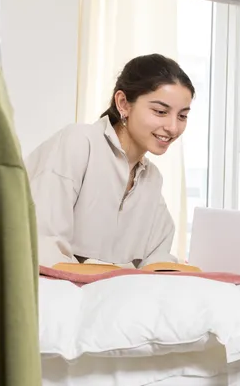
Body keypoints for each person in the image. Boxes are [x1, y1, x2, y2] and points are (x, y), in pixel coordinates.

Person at [27, 54, 193, 267]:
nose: (173, 127)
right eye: (160, 111)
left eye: (182, 116)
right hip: (50, 291)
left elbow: (155, 258)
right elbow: (41, 244)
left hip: (110, 296)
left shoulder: (152, 179)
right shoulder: (79, 143)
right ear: (123, 103)